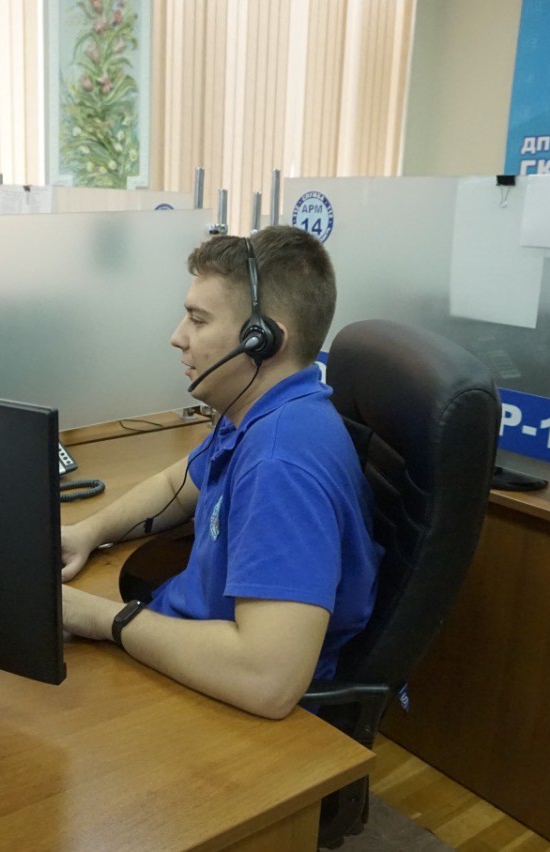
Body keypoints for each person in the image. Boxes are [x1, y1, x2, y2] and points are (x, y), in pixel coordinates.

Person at [60, 225, 383, 720]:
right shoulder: (266, 410)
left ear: (262, 341)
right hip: (183, 643)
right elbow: (178, 484)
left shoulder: (281, 466)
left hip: (226, 700)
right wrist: (88, 532)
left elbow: (267, 679)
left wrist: (100, 617)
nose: (177, 337)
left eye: (198, 319)